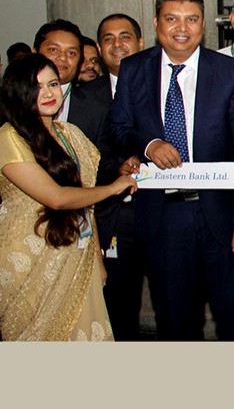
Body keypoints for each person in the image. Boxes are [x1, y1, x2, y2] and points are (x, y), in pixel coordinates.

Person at [108, 0, 234, 341]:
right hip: (164, 216)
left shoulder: (230, 73)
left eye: (191, 19)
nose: (182, 28)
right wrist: (148, 145)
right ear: (157, 23)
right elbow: (117, 129)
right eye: (172, 18)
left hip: (220, 215)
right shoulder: (134, 69)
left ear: (203, 24)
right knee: (175, 319)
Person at [0, 54, 137, 340]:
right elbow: (58, 198)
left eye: (53, 83)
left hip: (77, 254)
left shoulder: (70, 134)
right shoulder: (9, 136)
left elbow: (84, 199)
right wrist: (114, 187)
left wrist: (97, 259)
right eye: (36, 87)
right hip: (31, 258)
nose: (49, 93)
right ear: (18, 91)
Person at [87, 13, 147, 340]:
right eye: (108, 38)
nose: (117, 44)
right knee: (119, 308)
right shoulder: (84, 97)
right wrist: (116, 169)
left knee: (176, 302)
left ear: (140, 42)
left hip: (162, 210)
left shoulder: (166, 87)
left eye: (125, 36)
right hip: (113, 216)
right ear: (98, 48)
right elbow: (79, 160)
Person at [33, 19, 84, 122]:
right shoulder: (9, 101)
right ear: (34, 53)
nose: (62, 57)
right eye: (53, 50)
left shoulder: (98, 108)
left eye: (71, 53)